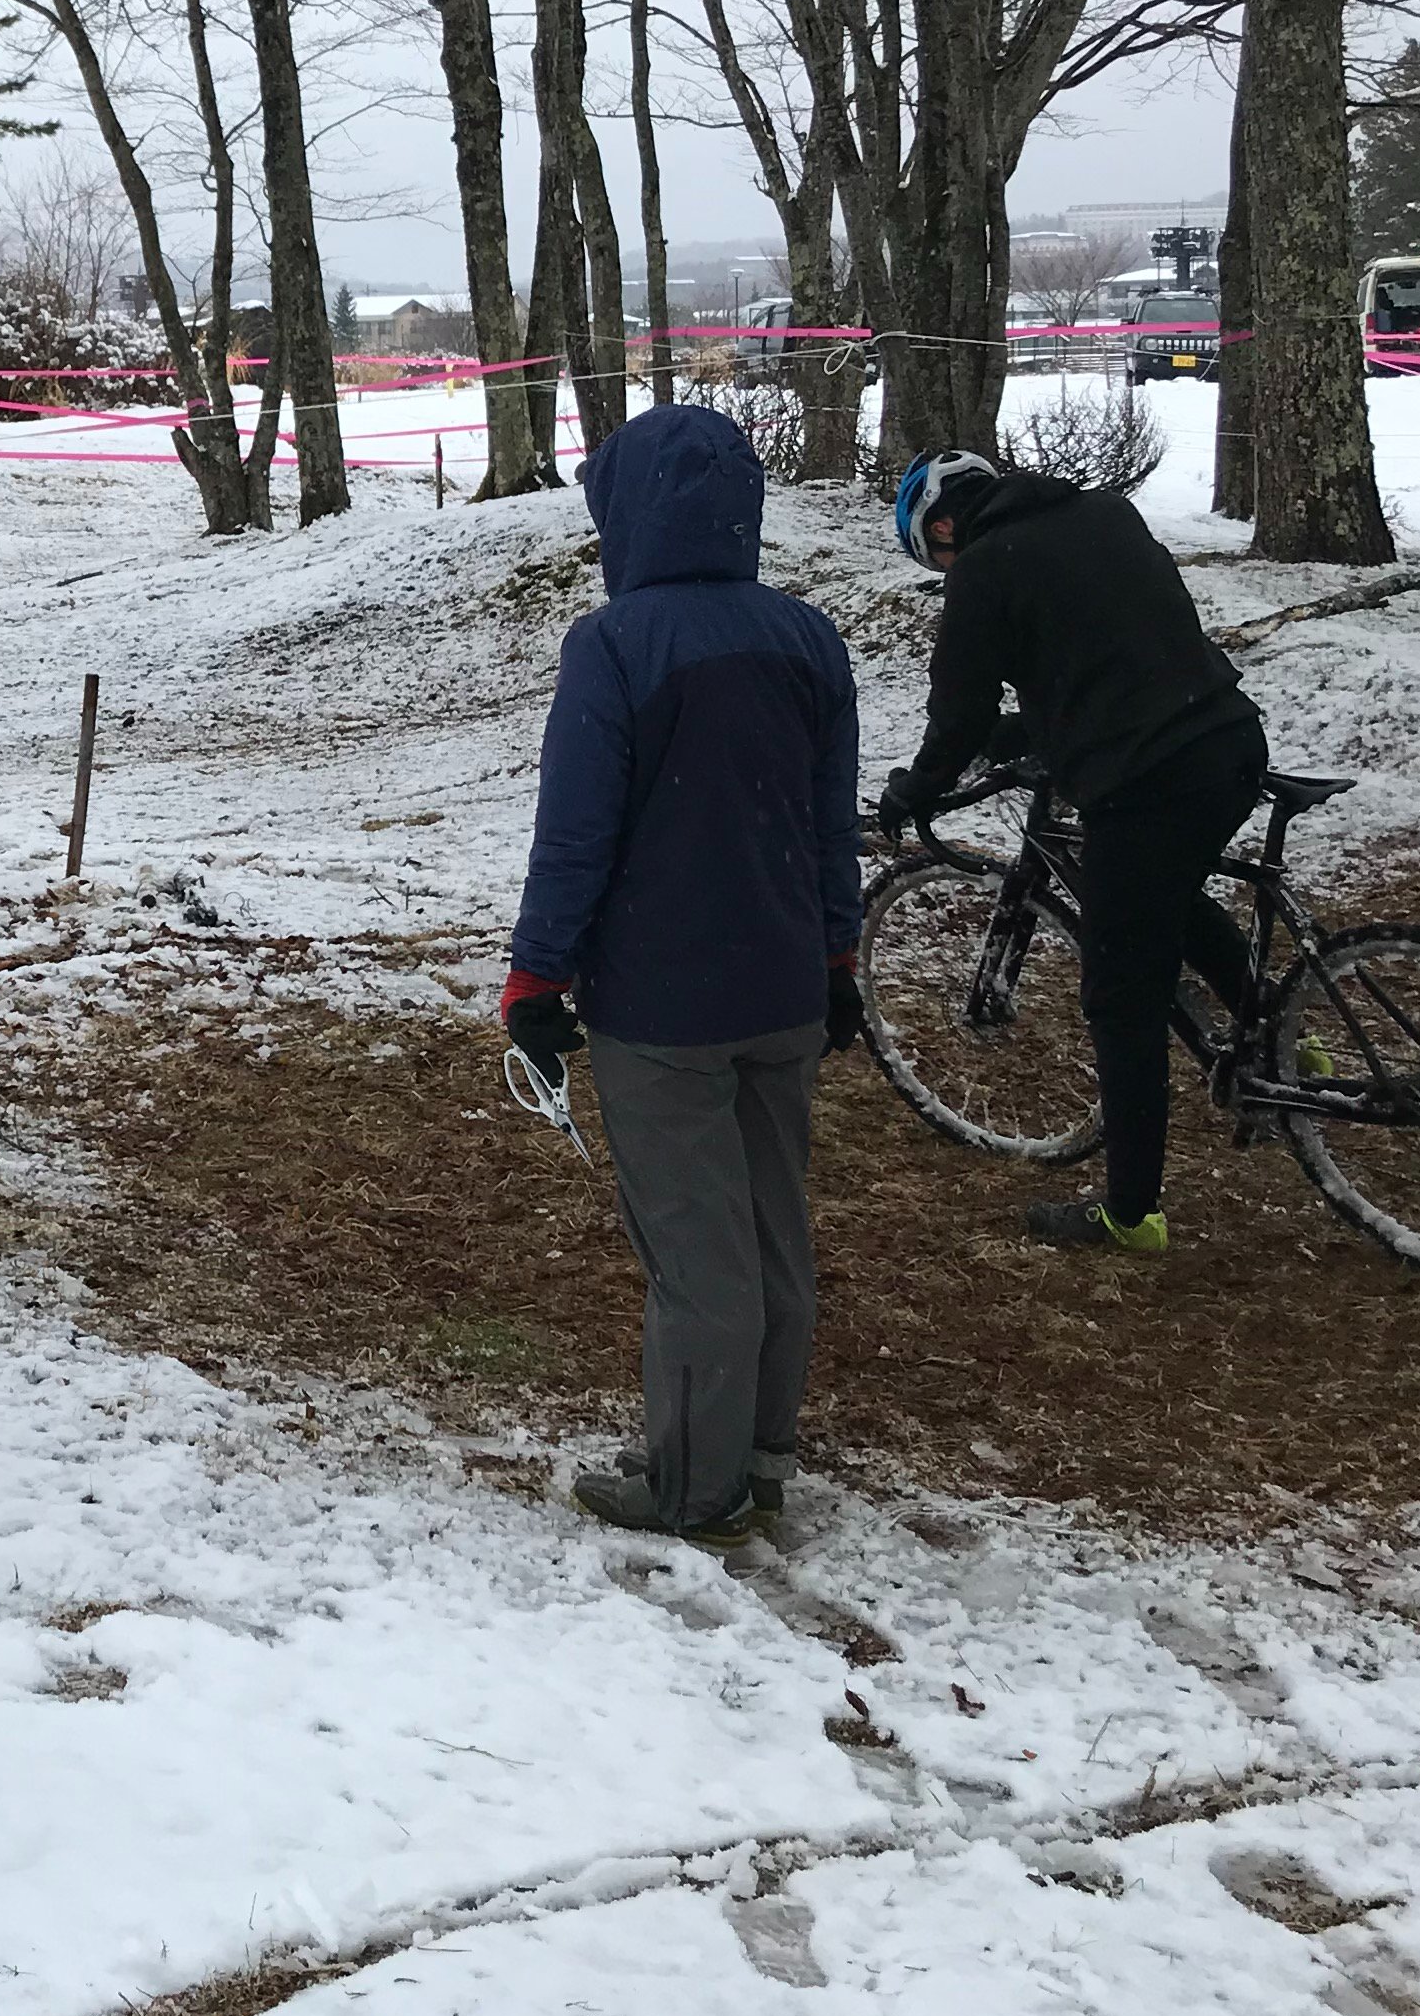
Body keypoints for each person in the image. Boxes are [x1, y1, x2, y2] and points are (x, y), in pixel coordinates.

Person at [504, 403, 862, 1551]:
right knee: (772, 1232)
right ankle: (759, 1453)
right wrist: (839, 956)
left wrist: (534, 978)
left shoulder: (614, 647)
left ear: (626, 515)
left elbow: (576, 833)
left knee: (696, 1253)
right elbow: (830, 827)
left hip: (662, 1008)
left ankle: (695, 1492)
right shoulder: (810, 640)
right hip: (786, 989)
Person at [874, 447, 1269, 1256]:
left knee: (1122, 995)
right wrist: (1031, 732)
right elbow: (1118, 650)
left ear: (943, 526)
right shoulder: (1103, 512)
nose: (945, 567)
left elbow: (958, 709)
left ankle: (1131, 1214)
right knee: (1166, 896)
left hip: (1148, 779)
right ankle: (1285, 1031)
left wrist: (918, 788)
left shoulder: (984, 568)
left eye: (936, 555)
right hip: (1227, 740)